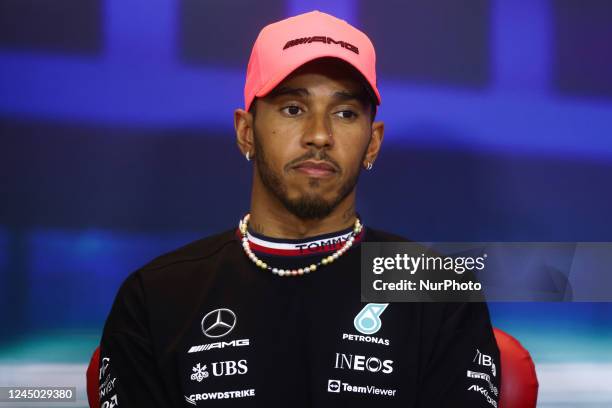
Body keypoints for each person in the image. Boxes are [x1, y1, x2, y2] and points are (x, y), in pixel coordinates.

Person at [98, 10, 500, 407]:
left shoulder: (437, 292)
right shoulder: (155, 297)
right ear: (245, 132)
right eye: (293, 108)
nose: (320, 135)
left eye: (345, 113)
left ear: (373, 142)